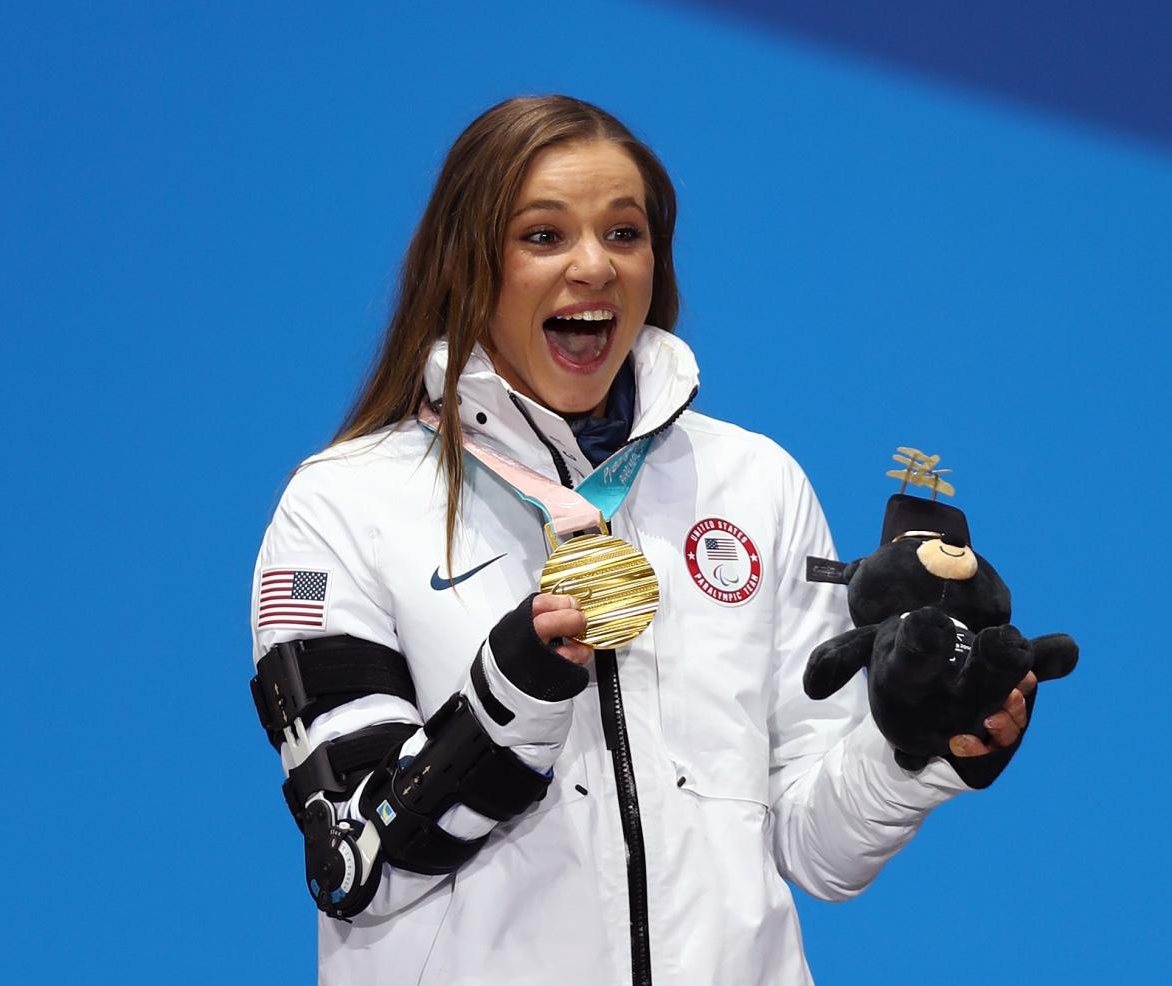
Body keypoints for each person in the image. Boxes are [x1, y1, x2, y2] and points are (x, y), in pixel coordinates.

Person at [249, 95, 1036, 986]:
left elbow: (817, 852)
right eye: (543, 236)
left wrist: (913, 747)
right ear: (468, 264)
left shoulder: (756, 483)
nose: (594, 266)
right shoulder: (342, 507)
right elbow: (353, 862)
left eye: (624, 235)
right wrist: (514, 694)